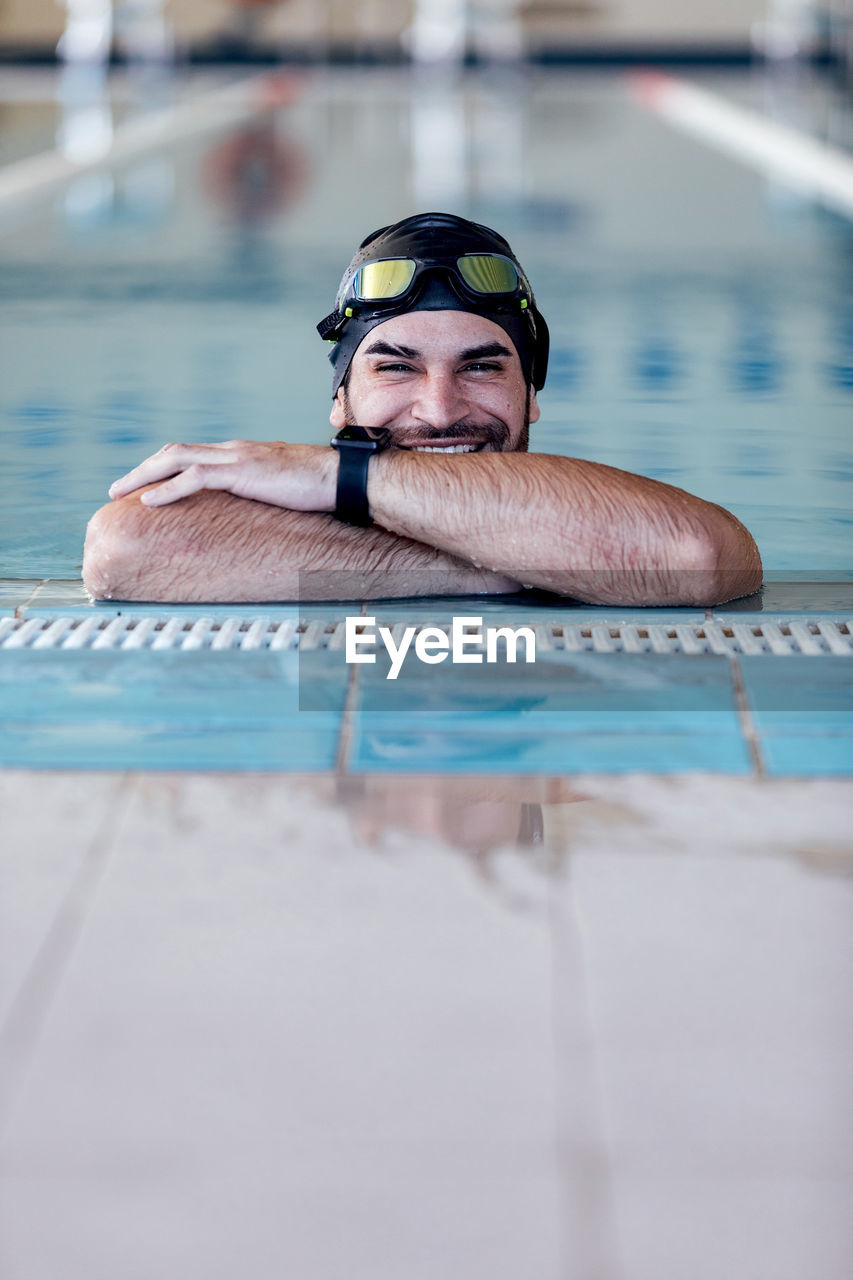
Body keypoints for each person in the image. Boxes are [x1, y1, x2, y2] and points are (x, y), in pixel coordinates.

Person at [82, 212, 762, 605]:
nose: (438, 412)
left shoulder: (598, 500)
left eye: (482, 366)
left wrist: (335, 478)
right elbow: (124, 548)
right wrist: (533, 558)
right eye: (396, 365)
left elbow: (701, 557)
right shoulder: (589, 523)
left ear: (530, 395)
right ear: (340, 397)